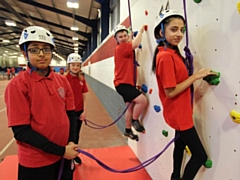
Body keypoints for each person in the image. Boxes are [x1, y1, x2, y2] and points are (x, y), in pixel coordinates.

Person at [4, 26, 79, 180]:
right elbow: (21, 131)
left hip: (64, 155)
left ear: (52, 52)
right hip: (36, 162)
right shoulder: (18, 85)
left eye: (46, 49)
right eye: (34, 50)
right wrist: (61, 150)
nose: (41, 54)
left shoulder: (62, 82)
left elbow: (71, 114)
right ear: (24, 53)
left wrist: (71, 143)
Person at [152, 9, 218, 180]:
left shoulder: (172, 53)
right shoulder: (166, 56)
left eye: (182, 30)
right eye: (174, 29)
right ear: (161, 31)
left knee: (180, 145)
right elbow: (171, 91)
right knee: (200, 156)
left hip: (179, 111)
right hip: (180, 114)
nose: (179, 34)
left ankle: (174, 176)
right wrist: (196, 76)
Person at [113, 24, 148, 140]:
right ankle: (135, 120)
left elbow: (132, 44)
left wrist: (131, 36)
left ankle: (128, 131)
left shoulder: (124, 47)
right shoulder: (121, 48)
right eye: (120, 37)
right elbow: (136, 44)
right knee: (142, 101)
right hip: (124, 84)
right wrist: (141, 31)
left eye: (124, 36)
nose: (123, 38)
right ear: (117, 39)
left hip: (124, 84)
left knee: (130, 107)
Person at [66, 53, 88, 165]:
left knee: (76, 134)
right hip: (67, 112)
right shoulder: (63, 79)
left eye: (78, 65)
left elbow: (84, 95)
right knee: (67, 134)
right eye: (73, 65)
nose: (75, 67)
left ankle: (74, 154)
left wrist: (84, 111)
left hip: (79, 111)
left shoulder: (82, 79)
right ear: (68, 65)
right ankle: (66, 155)